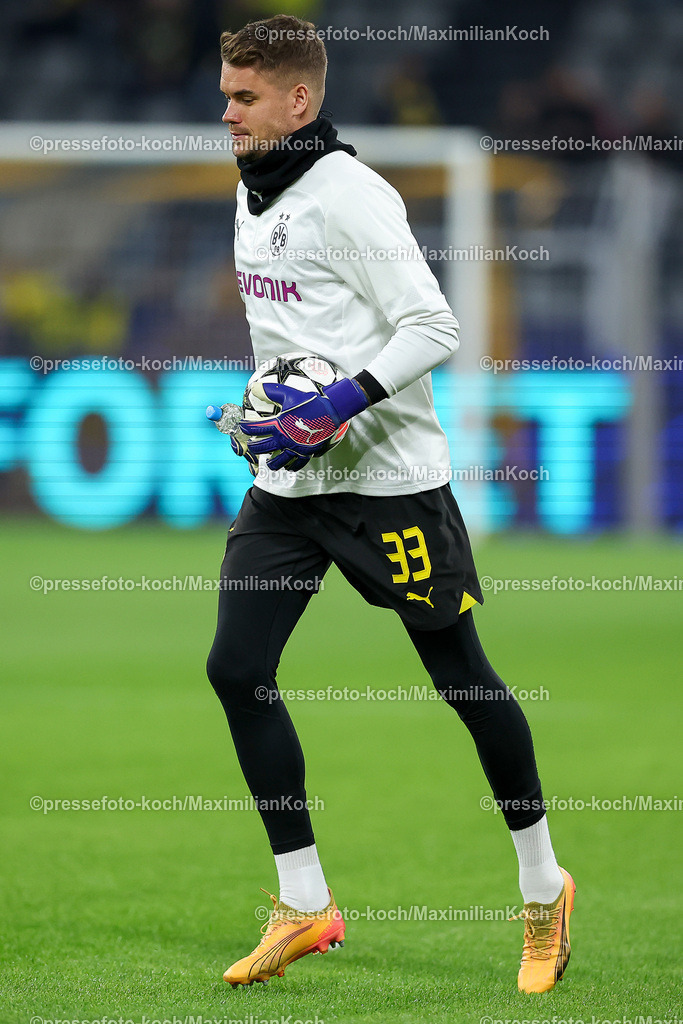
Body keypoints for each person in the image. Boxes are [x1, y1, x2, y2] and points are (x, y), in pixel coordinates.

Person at [207, 13, 574, 995]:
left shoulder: (351, 197)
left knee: (460, 679)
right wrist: (262, 411)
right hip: (288, 486)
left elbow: (432, 323)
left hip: (386, 483)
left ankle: (543, 891)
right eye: (225, 96)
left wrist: (334, 404)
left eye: (244, 98)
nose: (227, 114)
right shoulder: (253, 190)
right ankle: (304, 901)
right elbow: (293, 333)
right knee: (236, 667)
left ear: (299, 99)